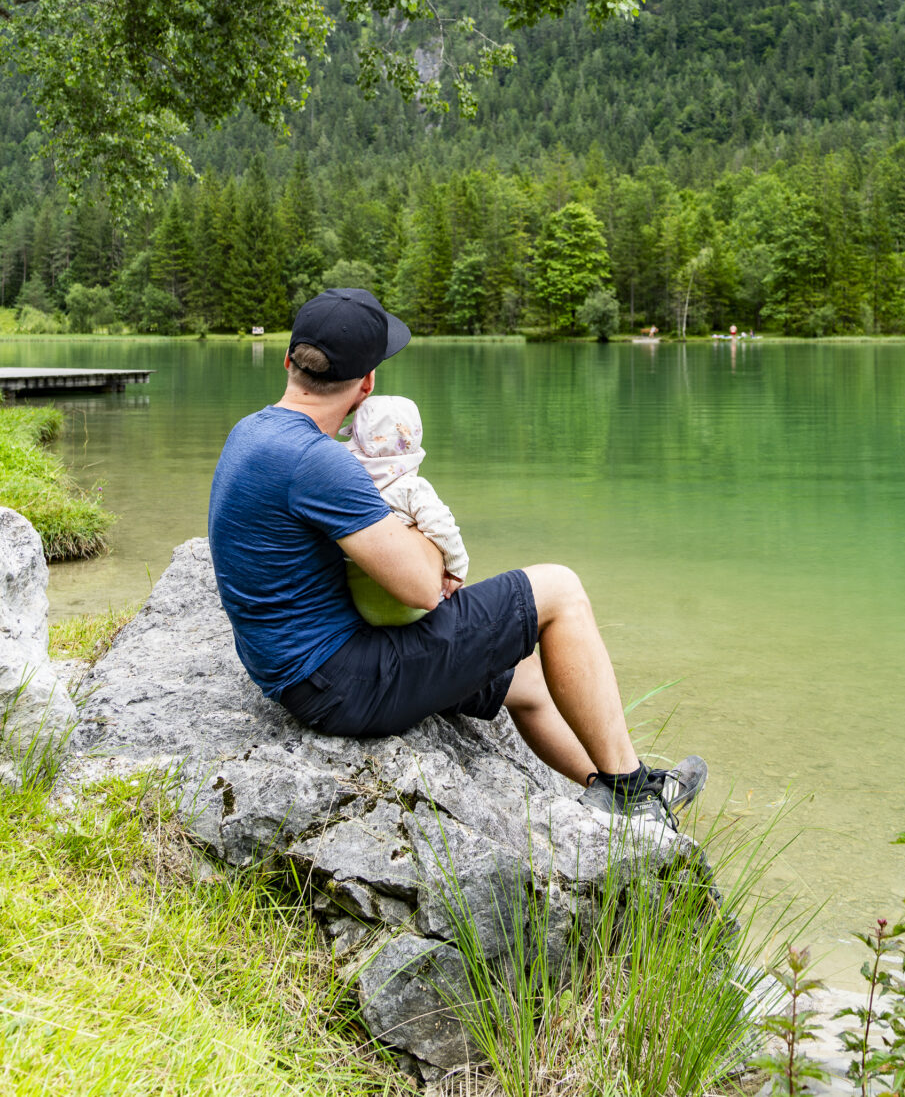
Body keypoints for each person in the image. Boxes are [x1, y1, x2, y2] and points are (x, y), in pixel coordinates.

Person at [208, 287, 706, 832]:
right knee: (559, 590)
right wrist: (420, 525)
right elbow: (422, 587)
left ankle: (607, 790)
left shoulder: (252, 431)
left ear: (289, 361)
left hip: (299, 673)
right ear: (368, 383)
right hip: (340, 684)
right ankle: (637, 794)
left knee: (526, 677)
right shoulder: (319, 463)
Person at [344, 393, 468, 627]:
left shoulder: (352, 486)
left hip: (364, 607)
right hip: (412, 609)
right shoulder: (411, 488)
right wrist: (458, 568)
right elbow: (443, 528)